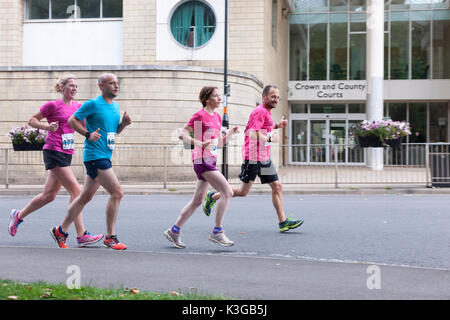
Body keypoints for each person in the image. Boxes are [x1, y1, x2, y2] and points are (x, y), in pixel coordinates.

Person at [8, 74, 103, 247]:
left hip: (67, 152)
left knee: (48, 196)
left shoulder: (78, 107)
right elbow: (32, 120)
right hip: (53, 151)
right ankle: (81, 235)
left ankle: (18, 215)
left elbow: (83, 126)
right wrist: (47, 126)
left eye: (76, 86)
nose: (74, 89)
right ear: (61, 88)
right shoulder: (53, 105)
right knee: (77, 190)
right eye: (71, 86)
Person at [203, 85, 304, 232]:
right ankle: (213, 196)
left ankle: (283, 222)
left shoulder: (266, 113)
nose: (275, 99)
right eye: (273, 97)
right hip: (253, 157)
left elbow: (263, 128)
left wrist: (277, 126)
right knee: (243, 192)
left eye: (277, 97)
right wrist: (269, 139)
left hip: (264, 157)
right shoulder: (260, 111)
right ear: (264, 97)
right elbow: (252, 132)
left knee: (277, 186)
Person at [50, 73, 131, 250]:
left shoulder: (116, 106)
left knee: (84, 197)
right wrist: (87, 134)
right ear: (101, 86)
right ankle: (110, 237)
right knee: (117, 193)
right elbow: (72, 120)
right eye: (112, 83)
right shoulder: (93, 104)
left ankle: (60, 231)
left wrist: (123, 124)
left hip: (105, 154)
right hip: (95, 156)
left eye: (117, 83)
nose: (116, 86)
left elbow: (113, 132)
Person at [164, 86, 239, 248]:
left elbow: (218, 143)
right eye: (216, 96)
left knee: (197, 201)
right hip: (201, 160)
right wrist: (200, 143)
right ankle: (217, 232)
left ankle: (174, 231)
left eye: (220, 96)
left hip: (210, 159)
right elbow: (182, 134)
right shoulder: (199, 115)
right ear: (207, 99)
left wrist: (230, 133)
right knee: (228, 192)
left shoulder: (217, 117)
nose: (220, 99)